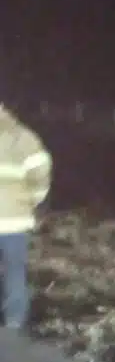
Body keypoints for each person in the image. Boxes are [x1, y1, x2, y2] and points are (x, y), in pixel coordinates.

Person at [0, 105, 52, 330]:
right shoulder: (24, 138)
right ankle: (13, 326)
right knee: (14, 273)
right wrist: (33, 199)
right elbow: (41, 171)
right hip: (14, 222)